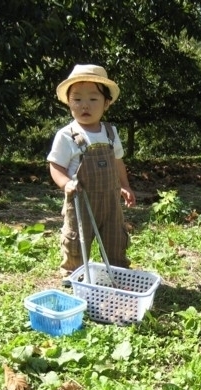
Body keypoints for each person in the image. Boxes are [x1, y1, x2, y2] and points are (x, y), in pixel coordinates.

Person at [47, 64, 136, 286]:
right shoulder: (66, 135)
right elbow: (55, 166)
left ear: (106, 103)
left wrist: (125, 186)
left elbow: (117, 161)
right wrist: (66, 183)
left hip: (110, 200)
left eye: (93, 99)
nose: (85, 105)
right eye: (77, 99)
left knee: (115, 235)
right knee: (77, 237)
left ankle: (116, 270)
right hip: (80, 200)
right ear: (69, 103)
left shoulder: (109, 132)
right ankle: (73, 273)